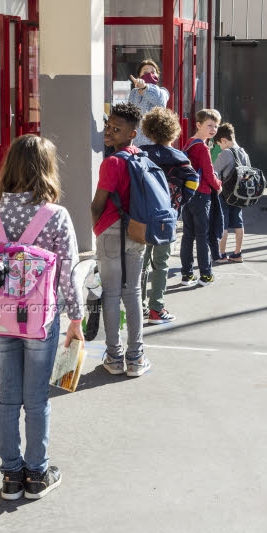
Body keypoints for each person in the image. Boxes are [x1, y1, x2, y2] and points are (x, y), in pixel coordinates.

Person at [0, 135, 84, 501]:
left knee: (7, 398)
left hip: (1, 319)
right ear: (47, 170)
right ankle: (36, 474)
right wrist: (76, 317)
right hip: (40, 319)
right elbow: (68, 269)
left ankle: (10, 475)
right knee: (36, 398)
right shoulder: (55, 216)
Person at [91, 102, 151, 377]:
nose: (109, 132)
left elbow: (97, 204)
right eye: (108, 126)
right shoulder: (142, 157)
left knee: (112, 294)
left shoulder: (112, 162)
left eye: (116, 129)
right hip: (136, 231)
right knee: (134, 293)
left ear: (131, 133)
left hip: (111, 231)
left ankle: (114, 357)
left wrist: (97, 230)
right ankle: (136, 357)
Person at [139, 107, 199, 323]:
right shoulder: (180, 157)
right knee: (161, 263)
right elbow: (192, 180)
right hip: (167, 218)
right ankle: (157, 309)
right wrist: (180, 201)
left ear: (148, 131)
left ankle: (140, 306)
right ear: (174, 132)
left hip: (142, 218)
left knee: (142, 263)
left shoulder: (141, 154)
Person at [180, 109, 222, 287]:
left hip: (188, 194)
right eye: (209, 125)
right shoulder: (203, 147)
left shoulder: (189, 143)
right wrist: (219, 186)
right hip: (202, 194)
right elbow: (209, 174)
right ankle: (205, 275)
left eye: (216, 126)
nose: (213, 130)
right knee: (203, 235)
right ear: (198, 125)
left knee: (188, 235)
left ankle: (187, 275)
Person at [213, 122, 249, 263]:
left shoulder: (226, 153)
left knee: (224, 224)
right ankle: (237, 253)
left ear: (223, 140)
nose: (219, 147)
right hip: (239, 194)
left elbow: (214, 172)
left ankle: (222, 254)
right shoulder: (244, 152)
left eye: (219, 145)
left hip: (225, 194)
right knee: (238, 223)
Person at [128, 59, 169, 147]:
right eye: (145, 72)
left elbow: (158, 100)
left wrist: (145, 87)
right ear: (139, 76)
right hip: (135, 144)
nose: (149, 74)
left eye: (153, 72)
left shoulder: (163, 92)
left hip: (154, 144)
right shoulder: (134, 93)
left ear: (157, 75)